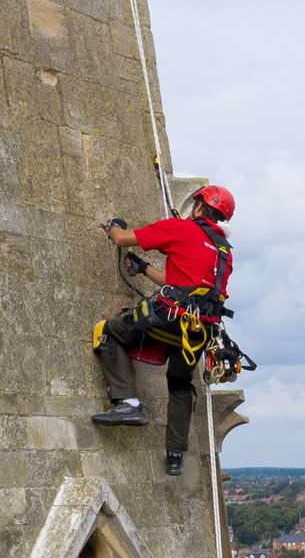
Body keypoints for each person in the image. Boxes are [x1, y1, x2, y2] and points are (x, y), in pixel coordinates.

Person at [91, 184, 236, 476]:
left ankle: (128, 403)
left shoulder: (180, 229)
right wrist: (144, 268)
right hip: (200, 331)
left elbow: (122, 239)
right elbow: (180, 284)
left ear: (197, 206)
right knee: (181, 385)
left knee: (107, 332)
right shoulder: (224, 252)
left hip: (167, 317)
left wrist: (113, 226)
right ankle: (174, 454)